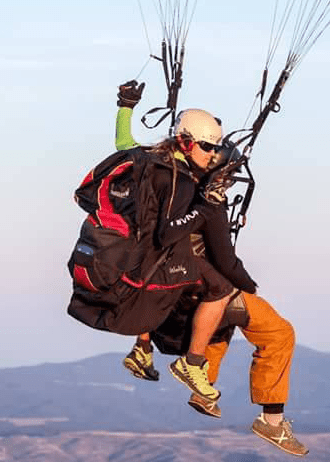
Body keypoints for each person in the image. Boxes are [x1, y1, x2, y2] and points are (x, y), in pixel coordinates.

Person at [114, 81, 308, 456]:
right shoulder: (205, 200)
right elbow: (226, 260)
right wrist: (248, 285)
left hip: (158, 285)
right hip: (191, 289)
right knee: (277, 332)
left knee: (225, 318)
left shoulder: (154, 168)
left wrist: (125, 107)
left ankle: (203, 389)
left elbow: (124, 146)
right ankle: (271, 422)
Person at [113, 80, 238, 402]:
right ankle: (192, 362)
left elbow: (123, 143)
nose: (212, 155)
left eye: (215, 149)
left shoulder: (150, 158)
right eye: (207, 148)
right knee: (220, 289)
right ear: (186, 143)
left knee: (155, 284)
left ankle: (142, 347)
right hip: (160, 252)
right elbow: (170, 232)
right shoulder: (178, 177)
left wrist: (126, 107)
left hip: (134, 251)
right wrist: (207, 203)